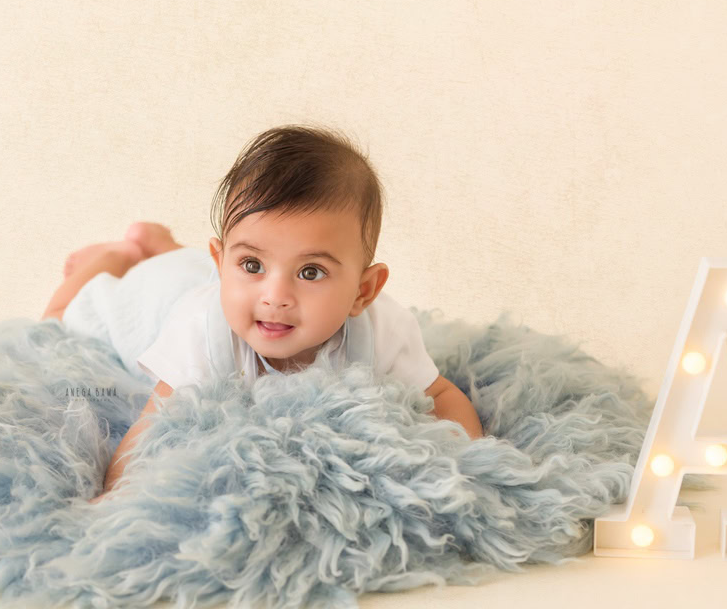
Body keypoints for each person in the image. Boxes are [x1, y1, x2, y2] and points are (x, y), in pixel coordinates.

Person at [39, 125, 485, 502]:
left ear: (363, 291)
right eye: (252, 264)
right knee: (69, 315)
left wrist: (465, 466)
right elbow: (150, 426)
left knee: (201, 266)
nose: (276, 296)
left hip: (211, 278)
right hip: (157, 297)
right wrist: (115, 497)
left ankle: (165, 245)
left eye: (310, 272)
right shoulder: (200, 332)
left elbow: (441, 396)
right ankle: (119, 254)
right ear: (222, 264)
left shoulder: (382, 329)